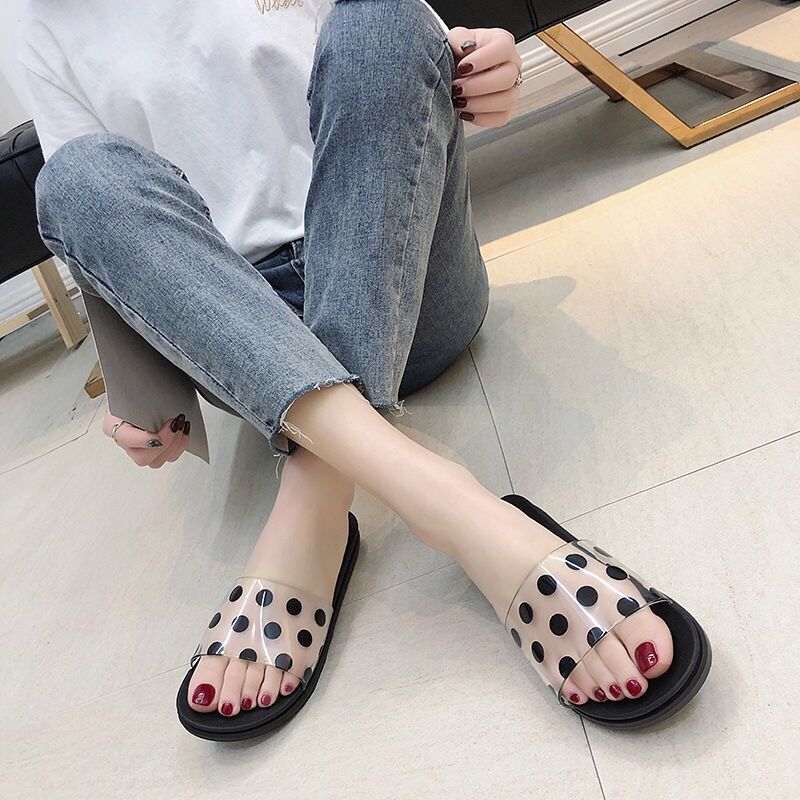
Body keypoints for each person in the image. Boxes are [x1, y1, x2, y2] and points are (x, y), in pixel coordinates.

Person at [19, 0, 687, 739]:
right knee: (73, 177)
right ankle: (453, 505)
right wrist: (136, 389)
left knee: (381, 14)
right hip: (243, 325)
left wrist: (486, 61)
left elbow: (404, 54)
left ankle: (319, 497)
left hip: (405, 266)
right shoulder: (41, 19)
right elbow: (107, 232)